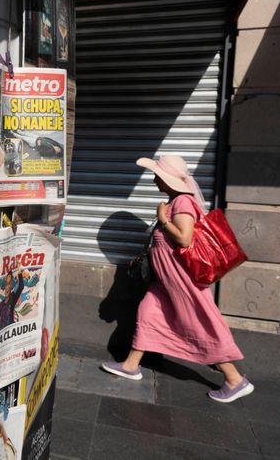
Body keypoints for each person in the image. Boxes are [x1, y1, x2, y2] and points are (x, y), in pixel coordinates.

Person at [101, 155, 253, 403]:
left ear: (167, 179)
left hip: (180, 281)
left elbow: (184, 238)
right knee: (148, 312)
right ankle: (131, 365)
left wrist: (163, 220)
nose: (153, 180)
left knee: (197, 323)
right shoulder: (174, 201)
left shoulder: (182, 202)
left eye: (157, 176)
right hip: (165, 281)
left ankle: (234, 379)